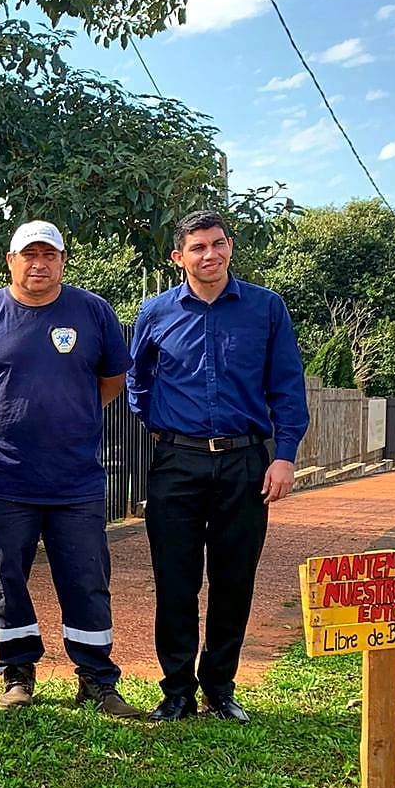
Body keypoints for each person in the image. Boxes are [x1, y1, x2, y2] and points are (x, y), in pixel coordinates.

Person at [0, 220, 142, 718]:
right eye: (28, 255)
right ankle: (17, 672)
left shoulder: (93, 312)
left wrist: (68, 418)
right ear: (10, 261)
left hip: (75, 478)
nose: (39, 263)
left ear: (62, 260)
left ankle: (96, 678)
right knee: (4, 576)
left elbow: (112, 380)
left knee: (86, 576)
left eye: (48, 254)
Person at [128, 210, 309, 723]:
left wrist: (284, 456)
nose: (210, 255)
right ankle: (177, 691)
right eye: (198, 247)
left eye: (218, 244)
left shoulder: (265, 309)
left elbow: (287, 387)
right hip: (177, 463)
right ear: (178, 257)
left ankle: (220, 688)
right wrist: (162, 427)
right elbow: (137, 381)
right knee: (176, 581)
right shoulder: (155, 312)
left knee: (234, 581)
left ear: (229, 246)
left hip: (247, 464)